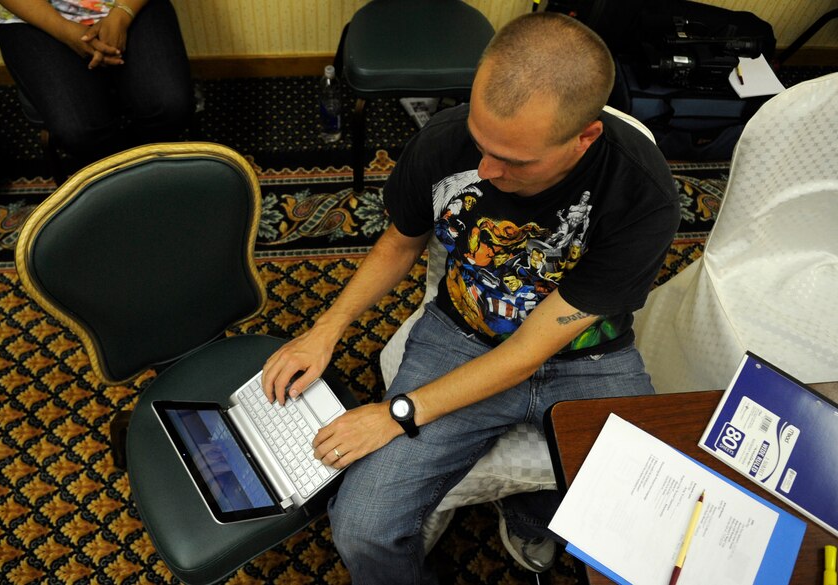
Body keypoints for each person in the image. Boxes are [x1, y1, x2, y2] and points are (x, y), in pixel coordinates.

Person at [261, 12, 681, 584]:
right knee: (361, 526)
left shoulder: (642, 191)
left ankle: (533, 511)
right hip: (459, 337)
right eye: (482, 145)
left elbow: (528, 353)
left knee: (659, 515)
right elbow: (399, 243)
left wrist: (397, 413)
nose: (484, 169)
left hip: (590, 356)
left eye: (516, 160)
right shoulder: (444, 141)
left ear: (585, 138)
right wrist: (325, 330)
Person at [0, 0, 193, 170]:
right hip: (37, 17)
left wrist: (123, 13)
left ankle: (149, 165)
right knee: (78, 132)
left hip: (129, 5)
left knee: (170, 105)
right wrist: (66, 32)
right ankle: (116, 177)